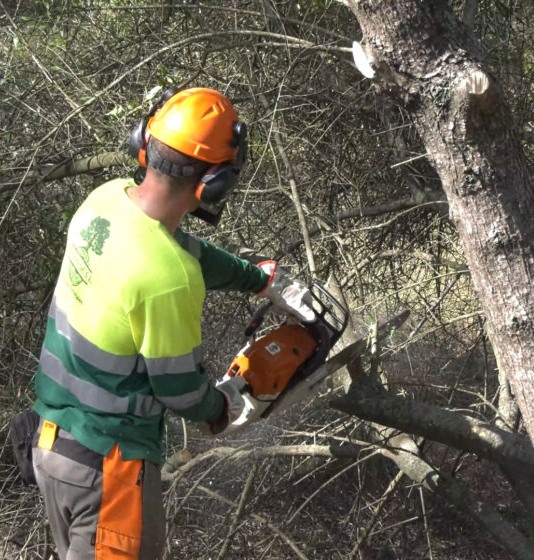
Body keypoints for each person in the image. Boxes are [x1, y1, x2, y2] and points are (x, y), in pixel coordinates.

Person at [31, 87, 314, 560]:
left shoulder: (105, 201)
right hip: (110, 468)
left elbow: (181, 248)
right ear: (214, 183)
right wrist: (223, 407)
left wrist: (257, 280)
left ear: (144, 142)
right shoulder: (168, 280)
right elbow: (179, 390)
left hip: (53, 446)